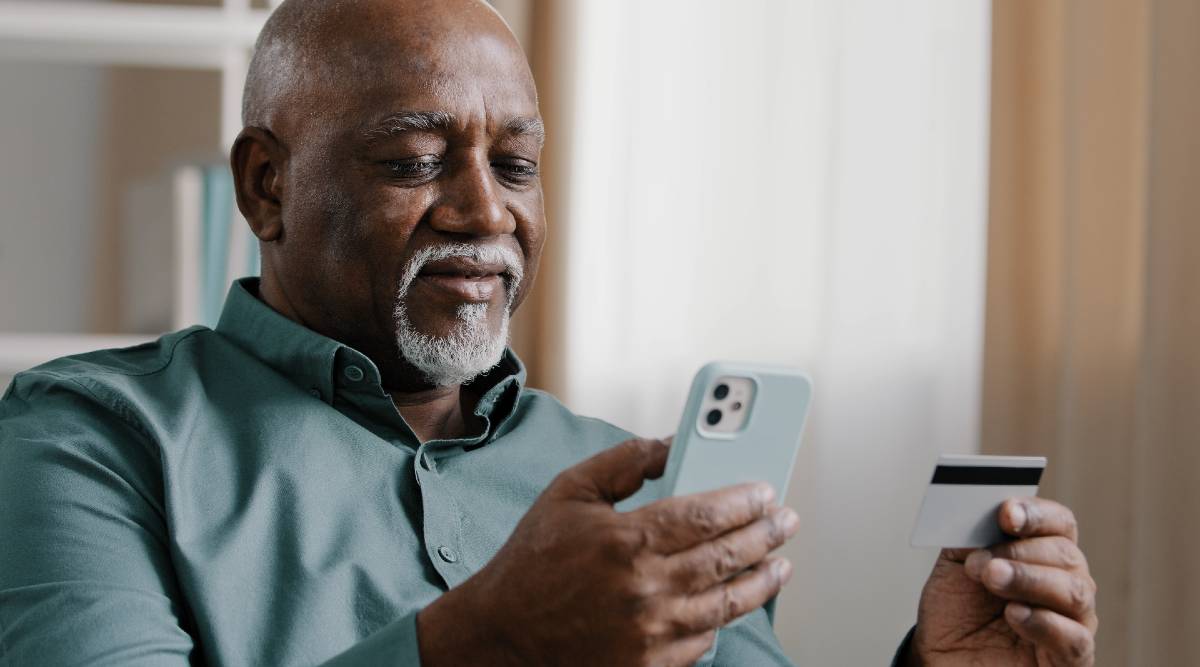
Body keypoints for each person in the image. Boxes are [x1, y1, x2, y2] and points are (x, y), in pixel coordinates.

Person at [0, 0, 1098, 665]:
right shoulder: (89, 440)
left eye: (516, 164)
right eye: (414, 159)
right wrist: (493, 645)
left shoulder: (617, 482)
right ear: (266, 184)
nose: (487, 213)